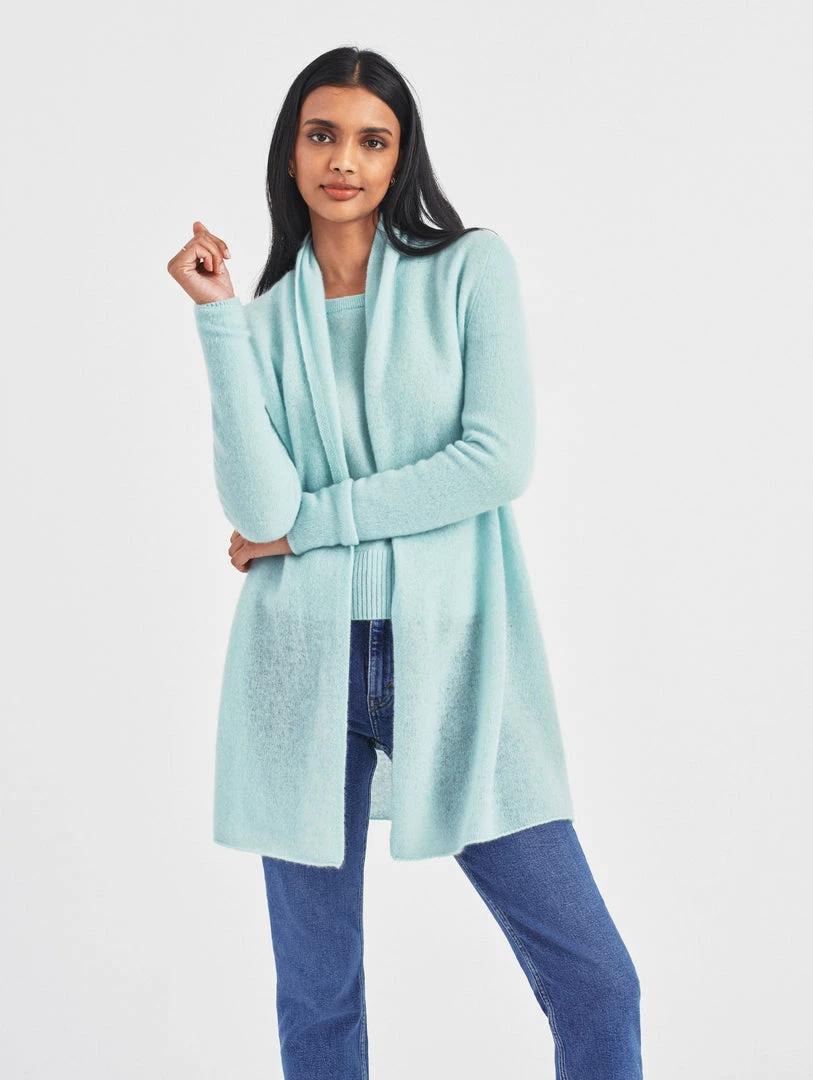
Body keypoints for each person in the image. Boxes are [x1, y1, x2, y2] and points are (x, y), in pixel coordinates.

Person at [167, 45, 643, 1080]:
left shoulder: (468, 270)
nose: (344, 160)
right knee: (319, 1003)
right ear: (290, 154)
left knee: (600, 984)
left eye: (371, 140)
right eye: (322, 135)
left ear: (399, 158)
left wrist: (312, 525)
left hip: (458, 657)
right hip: (298, 668)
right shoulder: (261, 324)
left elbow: (494, 461)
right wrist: (215, 320)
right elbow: (257, 510)